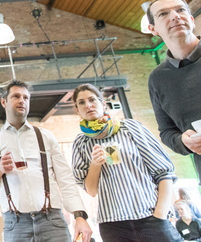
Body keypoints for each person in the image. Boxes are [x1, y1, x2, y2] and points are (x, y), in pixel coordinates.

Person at [0, 80, 92, 242]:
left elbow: (65, 178)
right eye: (16, 96)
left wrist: (79, 215)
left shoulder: (45, 136)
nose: (22, 101)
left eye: (26, 98)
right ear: (3, 102)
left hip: (51, 220)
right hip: (15, 224)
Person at [71, 83, 181, 242]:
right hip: (112, 226)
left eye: (92, 99)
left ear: (103, 103)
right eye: (81, 102)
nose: (87, 105)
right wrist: (95, 164)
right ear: (77, 110)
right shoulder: (81, 143)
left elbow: (164, 173)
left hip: (150, 218)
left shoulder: (130, 128)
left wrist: (160, 214)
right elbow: (92, 190)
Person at [146, 0, 201, 181]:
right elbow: (167, 131)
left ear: (191, 20)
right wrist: (184, 142)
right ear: (153, 29)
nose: (175, 16)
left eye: (180, 10)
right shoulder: (157, 79)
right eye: (163, 14)